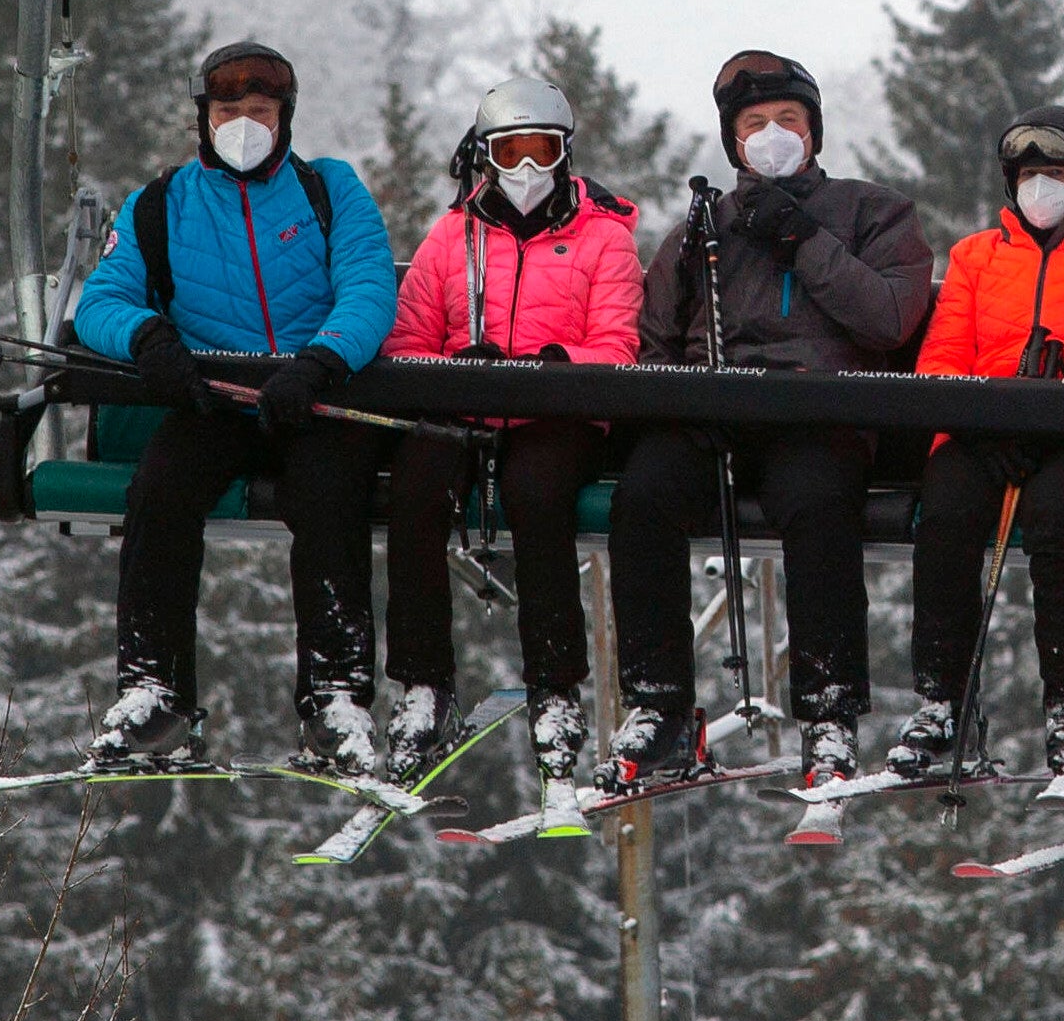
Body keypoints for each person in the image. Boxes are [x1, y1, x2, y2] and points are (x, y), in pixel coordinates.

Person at [67, 40, 401, 774]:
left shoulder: (329, 190)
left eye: (259, 111)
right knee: (160, 489)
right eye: (227, 111)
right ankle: (155, 690)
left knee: (326, 495)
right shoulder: (161, 204)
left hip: (313, 402)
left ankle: (334, 694)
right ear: (202, 119)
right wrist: (148, 337)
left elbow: (370, 285)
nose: (243, 124)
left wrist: (319, 360)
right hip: (213, 401)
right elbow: (101, 300)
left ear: (284, 119)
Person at [605, 50, 933, 793]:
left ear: (814, 132)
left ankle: (827, 709)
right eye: (754, 124)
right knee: (644, 497)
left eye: (788, 119)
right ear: (733, 142)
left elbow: (886, 318)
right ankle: (658, 702)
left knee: (819, 505)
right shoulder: (701, 228)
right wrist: (687, 399)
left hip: (817, 416)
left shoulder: (871, 211)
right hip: (711, 416)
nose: (773, 133)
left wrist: (801, 238)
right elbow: (655, 338)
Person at [377, 75, 642, 801]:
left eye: (542, 151)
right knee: (418, 490)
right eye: (510, 151)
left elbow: (616, 345)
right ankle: (423, 682)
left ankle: (556, 687)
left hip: (555, 414)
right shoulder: (452, 235)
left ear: (565, 154)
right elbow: (406, 342)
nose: (526, 170)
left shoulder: (603, 239)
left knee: (538, 495)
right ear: (484, 156)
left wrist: (549, 366)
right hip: (463, 409)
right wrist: (456, 368)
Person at [893, 104, 1064, 803]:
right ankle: (941, 697)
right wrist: (984, 420)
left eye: (1055, 174)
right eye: (1027, 175)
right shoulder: (976, 258)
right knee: (947, 512)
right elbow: (943, 358)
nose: (1039, 189)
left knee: (1056, 516)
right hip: (986, 429)